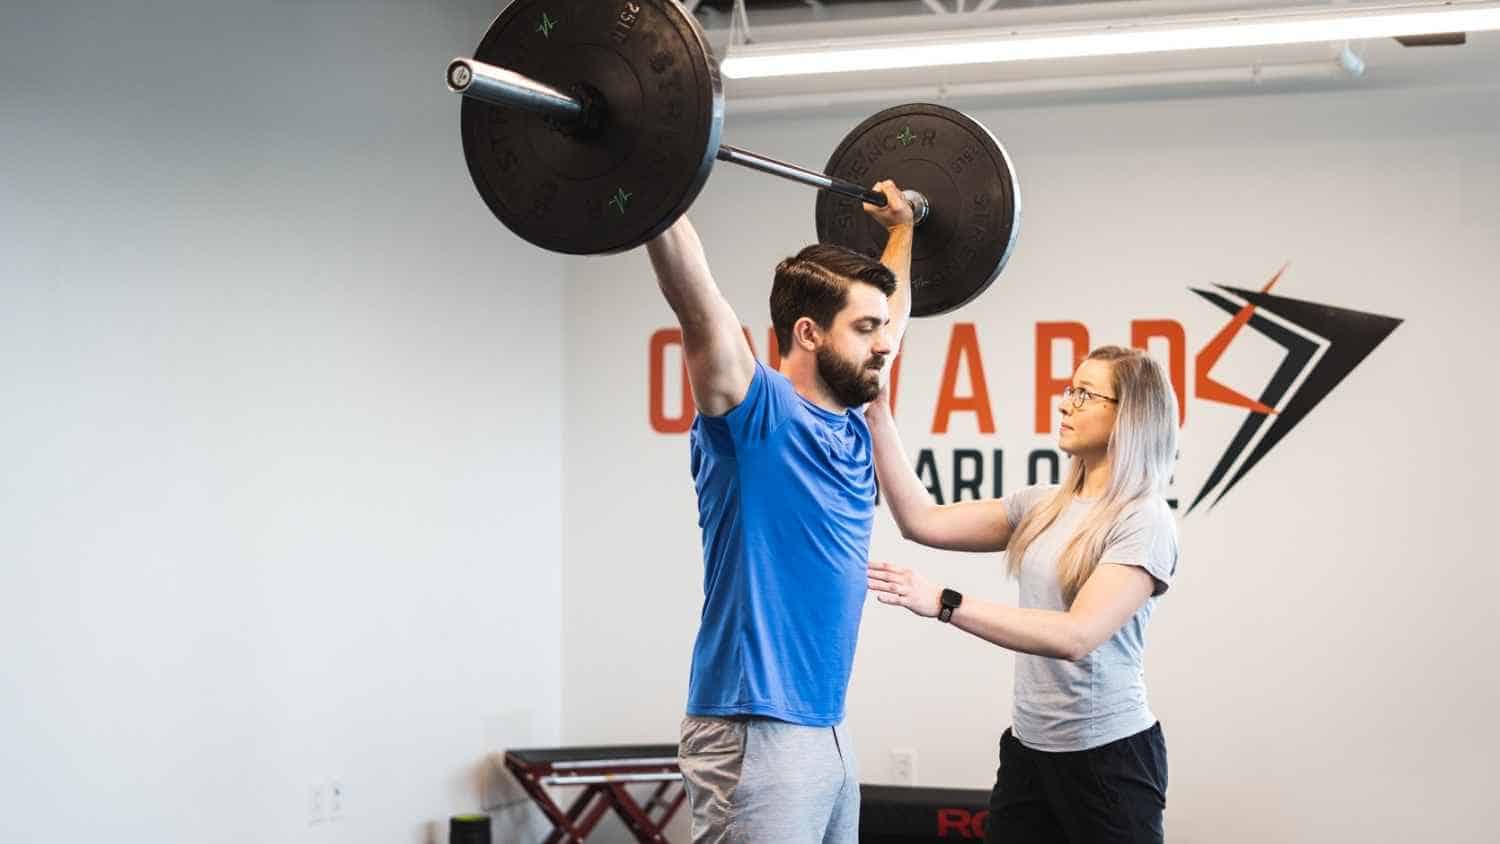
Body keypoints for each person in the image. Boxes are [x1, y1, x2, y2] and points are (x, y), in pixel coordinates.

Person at [646, 182, 914, 843]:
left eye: (882, 327)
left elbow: (896, 317)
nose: (884, 344)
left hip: (826, 726)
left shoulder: (853, 426)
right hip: (753, 723)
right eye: (865, 328)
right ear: (808, 333)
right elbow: (695, 301)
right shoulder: (755, 412)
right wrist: (649, 182)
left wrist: (903, 230)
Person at [864, 345, 1180, 844]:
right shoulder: (1043, 505)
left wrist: (946, 603)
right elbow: (920, 521)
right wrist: (877, 412)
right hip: (1029, 752)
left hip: (1108, 760)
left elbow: (1076, 635)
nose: (1065, 405)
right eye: (1068, 390)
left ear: (1130, 416)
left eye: (1084, 394)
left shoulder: (1144, 519)